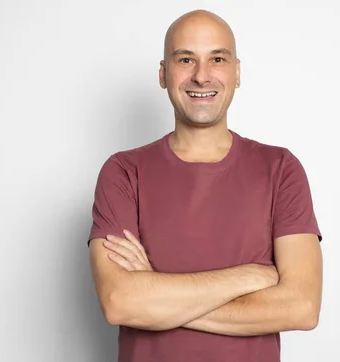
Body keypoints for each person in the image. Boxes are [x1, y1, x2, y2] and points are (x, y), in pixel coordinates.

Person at [87, 9, 323, 362]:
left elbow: (302, 307)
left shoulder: (280, 169)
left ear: (237, 72)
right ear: (164, 74)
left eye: (217, 58)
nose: (201, 76)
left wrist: (159, 300)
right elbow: (120, 302)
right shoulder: (123, 172)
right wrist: (248, 277)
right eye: (185, 59)